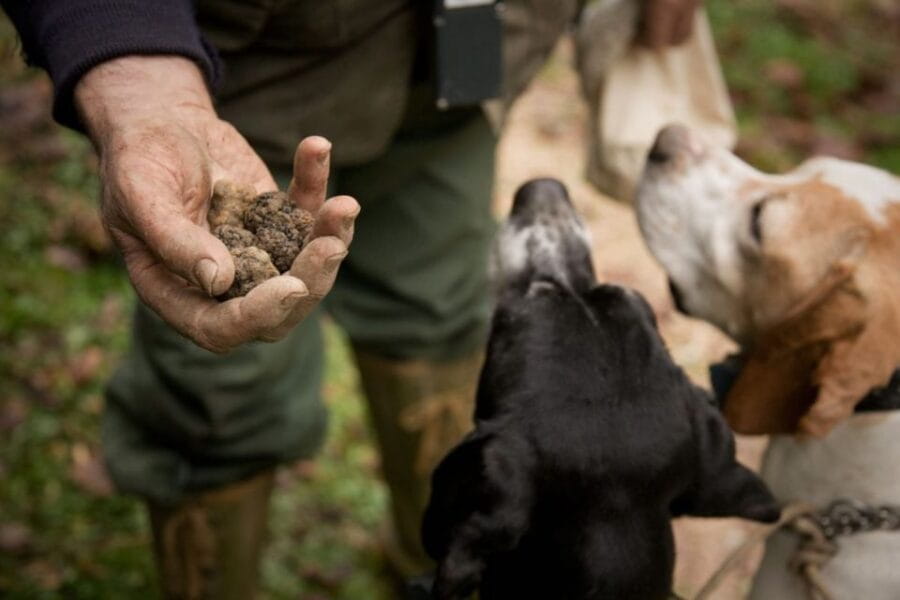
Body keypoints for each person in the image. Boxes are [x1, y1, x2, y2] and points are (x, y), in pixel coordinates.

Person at [1, 1, 699, 597]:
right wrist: (138, 78)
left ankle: (441, 567)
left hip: (465, 61)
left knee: (440, 315)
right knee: (214, 394)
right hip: (236, 78)